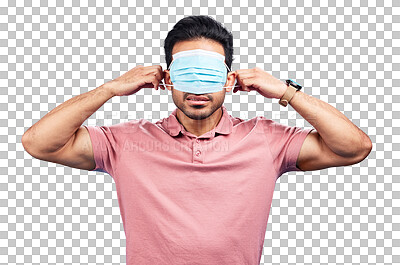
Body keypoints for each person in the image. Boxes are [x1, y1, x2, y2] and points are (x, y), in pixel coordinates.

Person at [21, 15, 372, 265]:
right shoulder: (126, 142)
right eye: (187, 73)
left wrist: (286, 92)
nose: (198, 88)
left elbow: (355, 148)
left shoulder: (266, 139)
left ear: (230, 80)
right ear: (169, 79)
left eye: (209, 73)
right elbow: (39, 143)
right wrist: (110, 89)